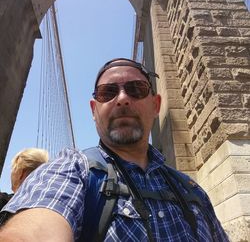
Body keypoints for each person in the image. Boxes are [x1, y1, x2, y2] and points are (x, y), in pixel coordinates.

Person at [0, 58, 229, 241]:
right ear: (94, 110)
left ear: (156, 105)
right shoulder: (72, 170)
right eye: (107, 93)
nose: (122, 99)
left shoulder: (193, 192)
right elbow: (36, 225)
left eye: (136, 89)